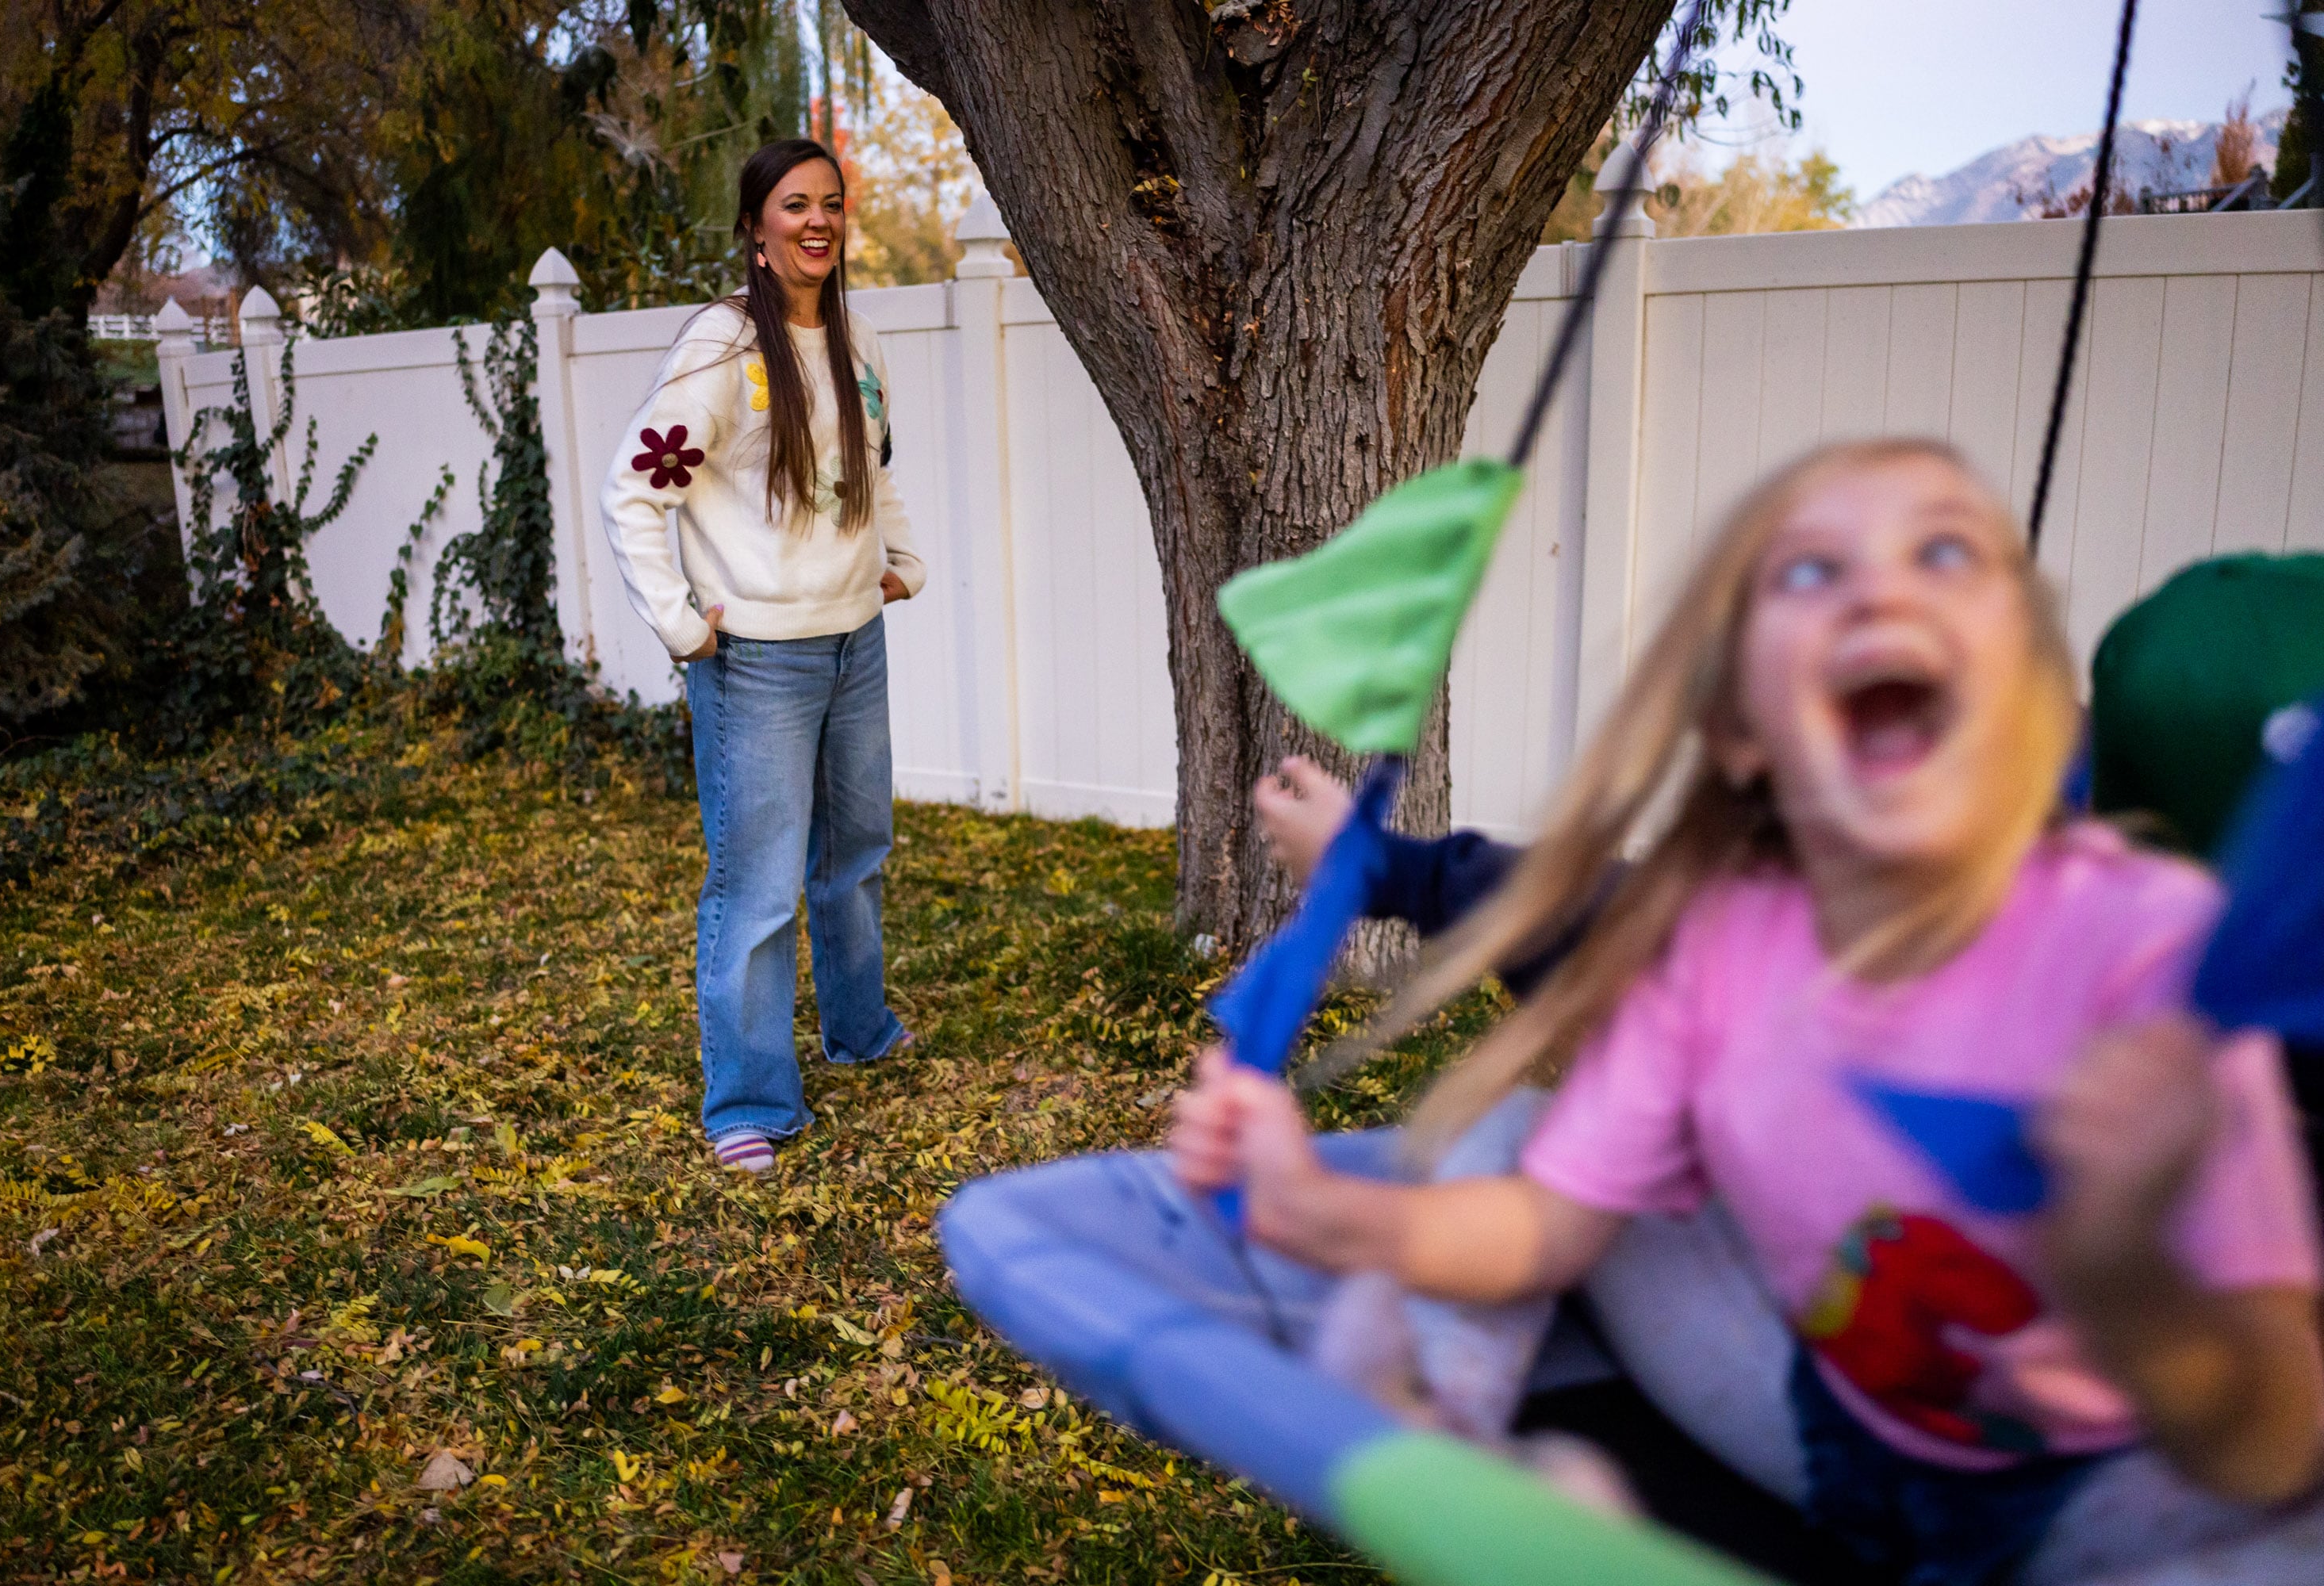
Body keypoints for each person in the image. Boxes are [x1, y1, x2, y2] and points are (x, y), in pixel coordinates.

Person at [942, 439, 2324, 1585]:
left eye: (1947, 552)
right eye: (1812, 569)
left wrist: (2124, 1258)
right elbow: (1547, 1225)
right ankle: (1474, 1464)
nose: (1879, 588)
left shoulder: (2153, 965)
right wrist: (1320, 1217)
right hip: (1810, 1416)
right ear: (1737, 728)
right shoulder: (1712, 941)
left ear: (2034, 699)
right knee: (1513, 1132)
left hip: (2109, 1496)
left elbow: (2272, 1443)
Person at [601, 137, 924, 1175]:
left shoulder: (856, 341)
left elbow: (873, 469)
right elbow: (634, 492)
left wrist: (898, 563)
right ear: (756, 227)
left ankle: (859, 1031)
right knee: (759, 887)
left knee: (858, 854)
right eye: (795, 206)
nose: (818, 222)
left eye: (832, 204)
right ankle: (748, 1101)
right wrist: (682, 625)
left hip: (852, 644)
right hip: (758, 668)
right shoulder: (721, 350)